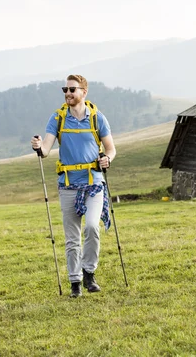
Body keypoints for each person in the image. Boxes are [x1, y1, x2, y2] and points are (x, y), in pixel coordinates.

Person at [31, 74, 116, 298]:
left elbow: (110, 149)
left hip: (94, 183)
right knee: (72, 238)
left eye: (72, 90)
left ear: (83, 92)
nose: (67, 94)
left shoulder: (98, 118)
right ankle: (75, 283)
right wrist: (39, 147)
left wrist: (108, 159)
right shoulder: (57, 118)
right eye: (65, 90)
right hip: (68, 185)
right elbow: (47, 150)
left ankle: (89, 271)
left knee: (91, 227)